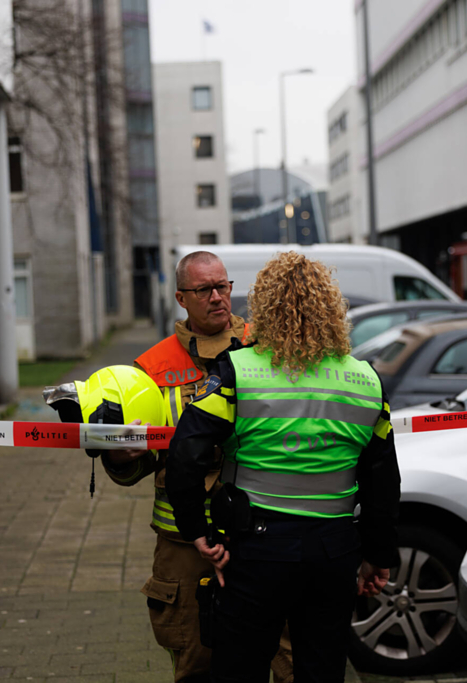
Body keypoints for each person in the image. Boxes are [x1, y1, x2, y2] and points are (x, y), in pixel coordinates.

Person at [164, 251, 401, 683]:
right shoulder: (368, 380)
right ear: (331, 306)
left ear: (265, 307)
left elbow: (184, 455)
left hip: (257, 551)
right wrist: (378, 557)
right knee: (322, 669)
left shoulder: (239, 371)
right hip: (334, 552)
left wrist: (198, 532)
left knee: (239, 669)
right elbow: (383, 482)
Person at [101, 251, 292, 683]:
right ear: (181, 298)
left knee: (288, 661)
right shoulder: (151, 370)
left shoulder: (266, 347)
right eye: (204, 290)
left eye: (222, 286)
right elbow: (135, 468)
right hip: (186, 546)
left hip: (264, 534)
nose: (217, 297)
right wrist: (119, 456)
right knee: (196, 665)